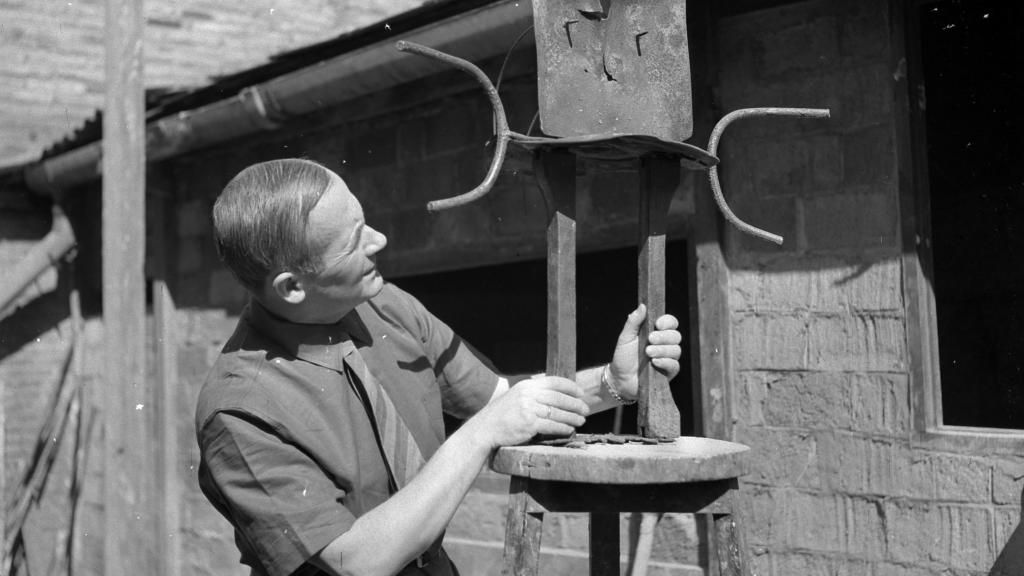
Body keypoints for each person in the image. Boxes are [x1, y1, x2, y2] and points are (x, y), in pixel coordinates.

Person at [196, 158, 683, 576]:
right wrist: (478, 436)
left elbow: (501, 402)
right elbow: (357, 563)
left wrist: (612, 384)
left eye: (365, 221)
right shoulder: (240, 410)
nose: (379, 240)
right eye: (351, 243)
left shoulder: (386, 306)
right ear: (292, 287)